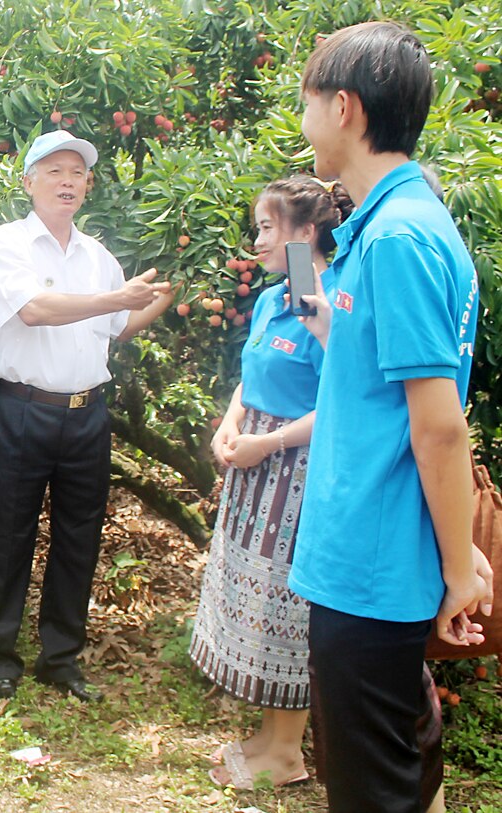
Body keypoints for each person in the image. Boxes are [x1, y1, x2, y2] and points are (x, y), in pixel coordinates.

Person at [288, 22, 493, 812]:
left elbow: (438, 424)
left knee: (371, 789)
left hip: (369, 570)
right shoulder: (393, 224)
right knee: (395, 765)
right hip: (375, 559)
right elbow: (372, 366)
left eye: (306, 103)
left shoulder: (400, 237)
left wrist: (456, 566)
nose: (302, 120)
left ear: (343, 108)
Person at [0, 130, 175, 706]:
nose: (67, 181)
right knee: (8, 535)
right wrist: (116, 300)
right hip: (24, 409)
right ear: (28, 181)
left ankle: (60, 658)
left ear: (87, 186)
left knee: (78, 538)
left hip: (87, 414)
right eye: (54, 170)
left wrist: (161, 294)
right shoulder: (7, 244)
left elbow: (116, 327)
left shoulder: (98, 257)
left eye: (77, 173)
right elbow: (34, 310)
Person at [189, 175, 352, 790]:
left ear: (306, 233)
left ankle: (287, 752)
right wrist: (231, 426)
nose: (255, 239)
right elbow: (248, 375)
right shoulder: (271, 297)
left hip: (296, 472)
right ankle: (268, 734)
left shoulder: (327, 300)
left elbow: (343, 396)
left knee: (288, 605)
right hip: (254, 468)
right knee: (257, 602)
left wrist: (268, 444)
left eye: (267, 227)